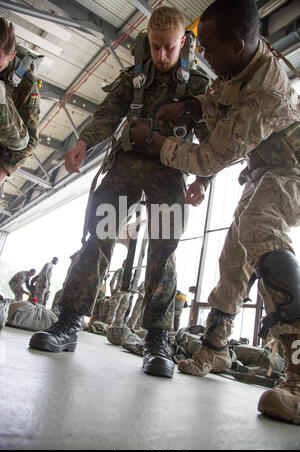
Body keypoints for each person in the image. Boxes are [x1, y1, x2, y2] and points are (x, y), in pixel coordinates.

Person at [129, 0, 300, 424]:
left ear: (237, 44)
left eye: (208, 48)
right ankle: (217, 347)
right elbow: (218, 98)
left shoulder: (267, 92)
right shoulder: (241, 65)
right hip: (265, 171)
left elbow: (208, 159)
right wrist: (189, 107)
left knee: (260, 225)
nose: (202, 55)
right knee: (233, 255)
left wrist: (158, 145)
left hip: (293, 172)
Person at [29, 6, 211, 379]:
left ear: (182, 43)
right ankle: (68, 322)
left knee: (164, 250)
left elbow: (212, 138)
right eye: (156, 47)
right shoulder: (134, 77)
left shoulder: (197, 88)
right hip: (126, 165)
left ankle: (157, 341)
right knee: (99, 237)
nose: (162, 56)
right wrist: (82, 144)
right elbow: (107, 115)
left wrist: (203, 180)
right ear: (148, 41)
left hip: (169, 171)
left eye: (169, 48)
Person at [0, 17, 41, 185]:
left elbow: (30, 142)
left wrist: (2, 173)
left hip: (6, 140)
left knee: (22, 142)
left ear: (11, 57)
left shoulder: (25, 84)